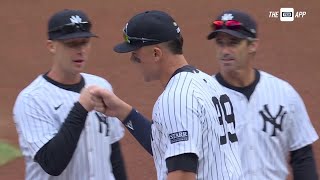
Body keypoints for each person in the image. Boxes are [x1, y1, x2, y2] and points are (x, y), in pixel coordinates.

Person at [90, 10, 244, 180]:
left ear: (156, 53)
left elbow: (183, 173)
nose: (133, 61)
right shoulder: (209, 84)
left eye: (135, 55)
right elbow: (167, 144)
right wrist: (122, 112)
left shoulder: (176, 98)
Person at [13, 9, 127, 180]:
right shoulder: (31, 100)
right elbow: (52, 163)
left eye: (85, 42)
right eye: (71, 44)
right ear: (51, 46)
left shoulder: (102, 86)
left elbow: (113, 151)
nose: (81, 50)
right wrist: (80, 108)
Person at [206, 9, 319, 180]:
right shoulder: (202, 96)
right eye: (220, 43)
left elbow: (302, 155)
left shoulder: (284, 94)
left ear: (253, 45)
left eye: (233, 43)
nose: (225, 51)